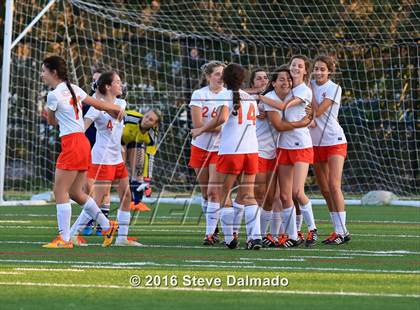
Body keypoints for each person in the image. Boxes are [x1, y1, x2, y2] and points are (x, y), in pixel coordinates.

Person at [41, 55, 120, 248]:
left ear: (53, 72)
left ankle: (65, 239)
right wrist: (116, 108)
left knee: (60, 190)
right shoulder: (74, 88)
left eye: (44, 71)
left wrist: (50, 114)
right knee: (76, 192)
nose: (42, 75)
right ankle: (106, 226)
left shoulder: (53, 95)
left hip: (72, 142)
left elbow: (51, 122)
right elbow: (99, 104)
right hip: (83, 142)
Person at [191, 63, 262, 250]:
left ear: (225, 79)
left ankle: (230, 238)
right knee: (248, 195)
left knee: (223, 195)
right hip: (251, 151)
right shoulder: (250, 98)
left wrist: (201, 129)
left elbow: (222, 118)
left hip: (231, 151)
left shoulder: (225, 95)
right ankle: (255, 237)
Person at [69, 71, 143, 247]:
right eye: (117, 82)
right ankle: (72, 234)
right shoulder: (95, 107)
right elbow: (83, 127)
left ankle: (122, 238)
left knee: (126, 196)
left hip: (116, 157)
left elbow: (118, 115)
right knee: (98, 200)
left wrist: (101, 104)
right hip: (102, 157)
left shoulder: (121, 102)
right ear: (108, 86)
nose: (121, 84)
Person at [263, 55, 317, 248]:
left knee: (296, 192)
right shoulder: (287, 88)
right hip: (283, 146)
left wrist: (261, 96)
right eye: (293, 64)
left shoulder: (304, 90)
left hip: (301, 145)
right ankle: (292, 236)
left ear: (305, 71)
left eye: (300, 66)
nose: (295, 68)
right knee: (284, 196)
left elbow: (284, 106)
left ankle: (312, 229)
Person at [310, 55, 350, 245]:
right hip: (314, 143)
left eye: (322, 69)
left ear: (329, 71)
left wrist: (308, 92)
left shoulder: (334, 88)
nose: (318, 72)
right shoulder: (307, 85)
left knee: (334, 186)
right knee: (324, 189)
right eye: (316, 68)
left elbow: (317, 112)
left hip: (334, 140)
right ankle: (337, 230)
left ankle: (342, 231)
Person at [189, 61, 226, 245]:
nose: (220, 77)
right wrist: (216, 126)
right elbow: (197, 125)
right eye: (217, 74)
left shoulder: (229, 95)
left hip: (220, 149)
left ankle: (210, 234)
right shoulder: (199, 94)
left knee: (214, 193)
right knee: (205, 193)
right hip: (200, 147)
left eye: (222, 74)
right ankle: (214, 226)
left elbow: (227, 125)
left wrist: (208, 127)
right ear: (208, 76)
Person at [245, 68, 281, 247]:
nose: (262, 81)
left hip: (275, 151)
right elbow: (237, 93)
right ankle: (252, 234)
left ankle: (264, 234)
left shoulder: (274, 98)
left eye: (265, 78)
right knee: (257, 193)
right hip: (256, 150)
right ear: (252, 82)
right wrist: (257, 97)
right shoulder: (248, 98)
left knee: (271, 197)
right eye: (258, 78)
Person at [122, 109, 161, 212]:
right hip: (119, 140)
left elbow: (150, 155)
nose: (147, 120)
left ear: (155, 124)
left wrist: (147, 179)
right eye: (147, 116)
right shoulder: (129, 117)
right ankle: (128, 201)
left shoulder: (153, 134)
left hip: (135, 141)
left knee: (139, 168)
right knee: (122, 169)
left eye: (151, 119)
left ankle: (137, 202)